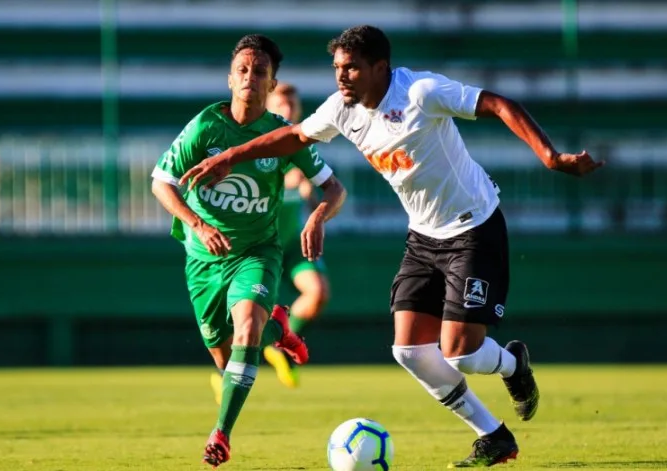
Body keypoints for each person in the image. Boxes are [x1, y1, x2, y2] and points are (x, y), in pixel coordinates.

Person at [178, 25, 604, 468]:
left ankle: (513, 364)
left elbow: (498, 103)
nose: (341, 77)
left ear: (380, 68)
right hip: (424, 236)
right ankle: (493, 436)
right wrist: (230, 156)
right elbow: (295, 137)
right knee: (409, 351)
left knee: (461, 352)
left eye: (352, 68)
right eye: (337, 68)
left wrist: (551, 157)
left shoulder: (420, 91)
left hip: (474, 228)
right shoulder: (343, 109)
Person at [150, 34, 346, 468]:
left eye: (260, 72)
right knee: (226, 358)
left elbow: (335, 188)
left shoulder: (282, 136)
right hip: (203, 259)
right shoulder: (205, 126)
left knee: (246, 334)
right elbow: (160, 182)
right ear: (229, 79)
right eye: (243, 70)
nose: (250, 78)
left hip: (257, 251)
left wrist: (317, 217)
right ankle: (280, 329)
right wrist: (197, 223)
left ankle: (221, 434)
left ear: (272, 84)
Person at [262, 82, 332, 388]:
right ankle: (228, 375)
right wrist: (288, 181)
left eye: (292, 105)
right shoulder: (261, 144)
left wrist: (311, 198)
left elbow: (323, 199)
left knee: (317, 293)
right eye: (281, 104)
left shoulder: (304, 146)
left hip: (292, 245)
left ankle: (279, 343)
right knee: (247, 318)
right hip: (261, 246)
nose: (288, 110)